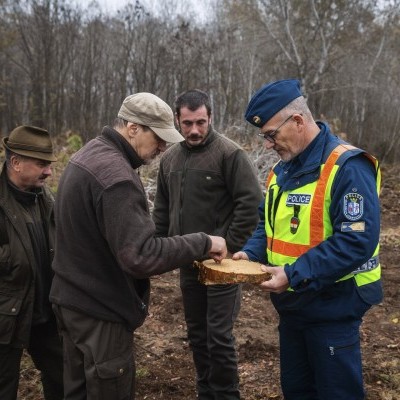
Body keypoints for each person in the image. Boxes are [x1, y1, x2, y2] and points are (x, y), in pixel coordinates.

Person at [49, 92, 227, 400]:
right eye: (157, 138)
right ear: (133, 128)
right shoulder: (116, 177)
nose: (162, 147)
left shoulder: (87, 156)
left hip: (71, 303)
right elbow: (140, 256)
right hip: (100, 313)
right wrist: (203, 242)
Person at [233, 79, 382, 400]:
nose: (268, 145)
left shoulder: (348, 167)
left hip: (333, 305)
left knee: (336, 393)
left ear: (297, 121)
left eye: (271, 135)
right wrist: (250, 255)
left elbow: (356, 241)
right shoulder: (281, 170)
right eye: (264, 138)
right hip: (294, 306)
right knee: (298, 390)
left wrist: (293, 273)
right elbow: (267, 225)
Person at [152, 89, 263, 399]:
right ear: (177, 120)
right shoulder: (170, 158)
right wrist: (159, 250)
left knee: (219, 336)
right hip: (187, 260)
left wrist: (229, 246)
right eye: (187, 123)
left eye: (200, 122)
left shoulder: (229, 154)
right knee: (198, 335)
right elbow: (162, 208)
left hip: (221, 266)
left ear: (210, 117)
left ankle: (227, 394)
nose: (194, 130)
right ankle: (206, 392)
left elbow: (251, 202)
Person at [0, 126, 63, 399]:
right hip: (6, 319)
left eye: (49, 165)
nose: (49, 172)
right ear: (15, 162)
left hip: (46, 313)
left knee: (64, 379)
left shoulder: (45, 199)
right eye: (41, 165)